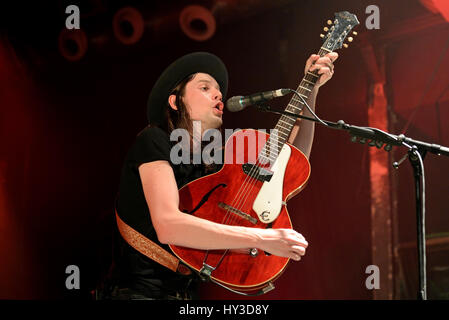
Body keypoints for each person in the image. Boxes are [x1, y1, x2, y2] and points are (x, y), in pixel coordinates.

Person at [103, 51, 337, 300]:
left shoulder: (215, 158)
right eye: (205, 88)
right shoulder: (154, 139)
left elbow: (291, 162)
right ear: (175, 102)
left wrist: (310, 89)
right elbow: (168, 225)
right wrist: (262, 237)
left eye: (219, 91)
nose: (218, 95)